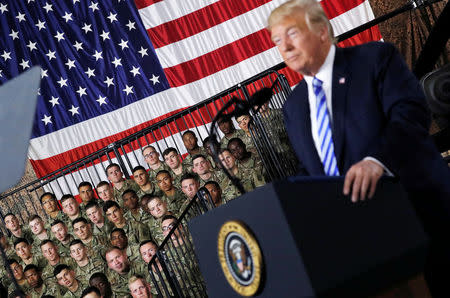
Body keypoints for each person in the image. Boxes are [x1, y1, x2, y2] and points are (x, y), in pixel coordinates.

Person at [268, 0, 450, 295]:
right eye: (277, 40)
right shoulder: (294, 105)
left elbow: (409, 115)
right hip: (360, 241)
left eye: (292, 33)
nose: (284, 47)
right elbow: (315, 168)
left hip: (418, 216)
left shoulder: (374, 60)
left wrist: (376, 160)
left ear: (323, 31)